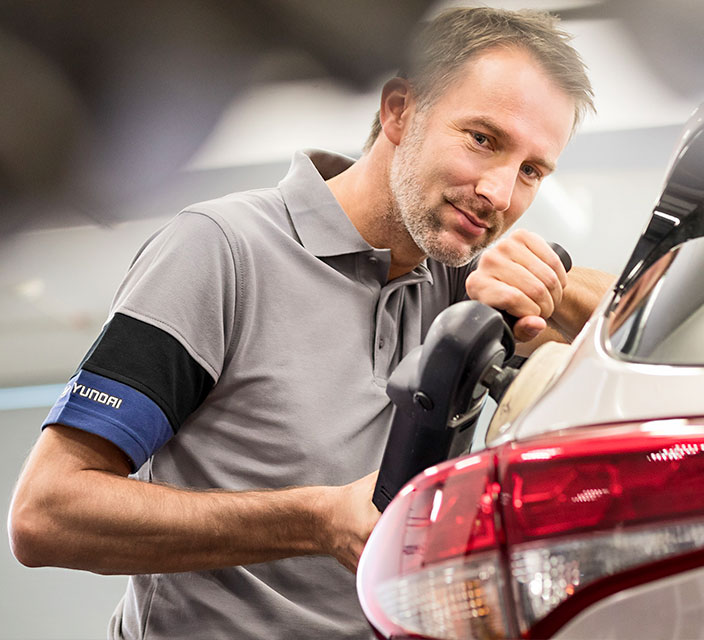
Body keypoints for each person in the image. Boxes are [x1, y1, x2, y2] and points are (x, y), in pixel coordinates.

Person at [8, 6, 612, 640]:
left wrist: (551, 281)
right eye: (483, 139)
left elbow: (645, 330)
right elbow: (47, 514)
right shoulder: (221, 249)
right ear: (400, 111)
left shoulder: (458, 282)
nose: (500, 193)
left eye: (531, 171)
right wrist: (315, 520)